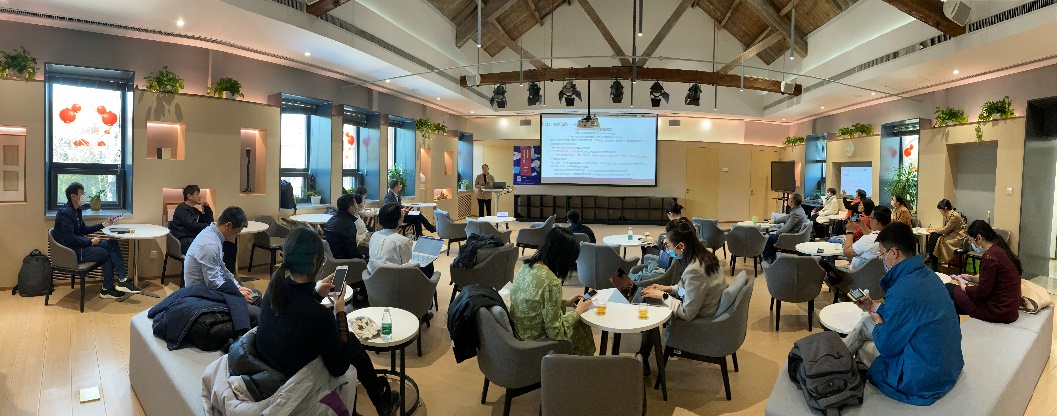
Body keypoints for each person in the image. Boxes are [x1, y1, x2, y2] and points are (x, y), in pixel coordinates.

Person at [253, 228, 401, 416]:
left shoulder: (273, 291)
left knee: (348, 341)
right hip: (296, 384)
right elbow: (339, 367)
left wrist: (315, 294)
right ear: (316, 261)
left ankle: (379, 396)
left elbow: (297, 313)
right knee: (350, 342)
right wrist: (340, 311)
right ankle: (380, 396)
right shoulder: (319, 315)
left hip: (272, 370)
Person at [842, 223, 963, 405]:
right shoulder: (929, 276)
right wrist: (874, 306)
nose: (883, 260)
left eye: (882, 254)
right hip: (946, 365)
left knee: (863, 344)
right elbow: (907, 315)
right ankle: (838, 358)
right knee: (867, 321)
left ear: (894, 253)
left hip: (922, 377)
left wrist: (879, 322)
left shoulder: (901, 290)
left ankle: (836, 364)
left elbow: (886, 346)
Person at [637, 219, 727, 375]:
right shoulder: (706, 257)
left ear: (681, 246)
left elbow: (687, 313)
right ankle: (644, 352)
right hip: (705, 305)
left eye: (668, 246)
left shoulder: (695, 270)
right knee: (650, 297)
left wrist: (663, 296)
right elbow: (690, 291)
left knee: (649, 303)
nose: (667, 250)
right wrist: (666, 288)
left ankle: (643, 355)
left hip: (699, 317)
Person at [509, 227, 595, 356]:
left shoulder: (526, 267)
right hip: (537, 343)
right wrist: (578, 310)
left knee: (573, 318)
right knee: (580, 324)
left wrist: (567, 302)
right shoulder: (551, 281)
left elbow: (536, 301)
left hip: (521, 333)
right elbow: (556, 332)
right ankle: (580, 362)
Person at [54, 182, 141, 298]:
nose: (84, 196)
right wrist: (90, 242)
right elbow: (70, 239)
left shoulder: (76, 211)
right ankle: (107, 289)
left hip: (80, 245)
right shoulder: (65, 214)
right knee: (107, 253)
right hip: (72, 252)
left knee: (112, 243)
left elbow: (83, 229)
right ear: (73, 196)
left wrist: (103, 225)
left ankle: (123, 280)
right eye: (82, 194)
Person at [184, 206, 261, 324]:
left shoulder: (213, 234)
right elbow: (213, 283)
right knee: (256, 313)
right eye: (236, 233)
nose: (235, 236)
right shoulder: (209, 245)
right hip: (203, 296)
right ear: (228, 225)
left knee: (255, 294)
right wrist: (236, 293)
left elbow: (222, 268)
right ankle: (245, 332)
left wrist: (237, 286)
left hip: (212, 290)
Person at [946, 220, 1022, 323]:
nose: (971, 244)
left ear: (979, 238)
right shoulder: (1000, 249)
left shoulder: (990, 257)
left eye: (971, 241)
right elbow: (992, 280)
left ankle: (952, 327)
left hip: (998, 311)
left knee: (948, 289)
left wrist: (964, 287)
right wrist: (971, 278)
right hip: (1008, 308)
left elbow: (982, 291)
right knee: (953, 300)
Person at [367, 203, 434, 278]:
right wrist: (410, 247)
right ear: (399, 220)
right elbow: (407, 263)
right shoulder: (402, 241)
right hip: (395, 280)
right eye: (402, 213)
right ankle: (428, 284)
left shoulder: (374, 235)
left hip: (372, 278)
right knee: (427, 261)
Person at [763, 193, 808, 263]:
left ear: (792, 202)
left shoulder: (796, 213)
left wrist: (776, 232)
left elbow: (786, 229)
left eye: (789, 199)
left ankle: (767, 259)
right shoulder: (799, 209)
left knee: (766, 236)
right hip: (792, 235)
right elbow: (786, 217)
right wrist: (774, 221)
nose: (788, 200)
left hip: (789, 237)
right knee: (768, 233)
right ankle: (771, 256)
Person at [169, 185, 214, 254]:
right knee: (209, 247)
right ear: (189, 196)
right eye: (197, 194)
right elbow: (192, 225)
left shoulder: (194, 210)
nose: (199, 196)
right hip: (183, 240)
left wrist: (206, 206)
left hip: (191, 238)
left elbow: (209, 220)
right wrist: (210, 226)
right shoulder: (182, 208)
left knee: (213, 243)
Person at [927, 199, 968, 271]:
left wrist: (934, 230)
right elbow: (945, 228)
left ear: (945, 209)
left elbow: (945, 230)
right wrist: (934, 229)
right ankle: (932, 259)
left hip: (958, 237)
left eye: (941, 211)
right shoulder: (948, 215)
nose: (940, 212)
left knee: (937, 238)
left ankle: (932, 259)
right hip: (952, 235)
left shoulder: (954, 216)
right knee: (935, 236)